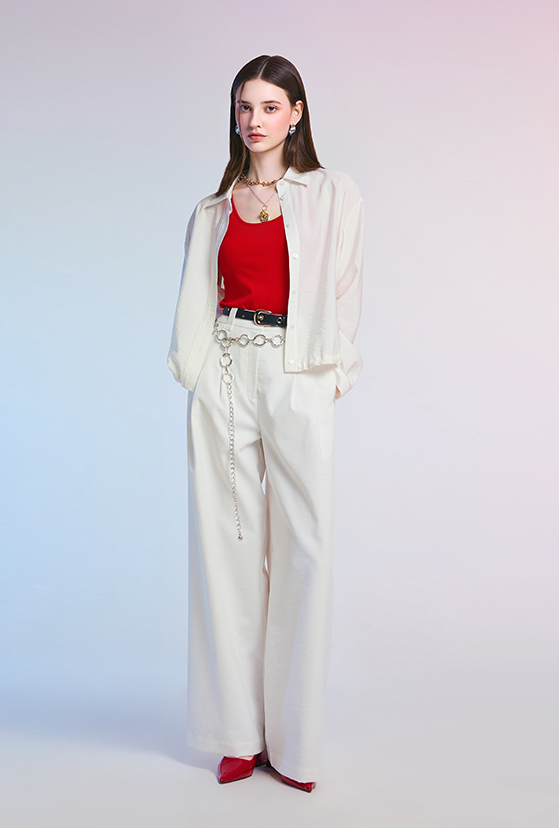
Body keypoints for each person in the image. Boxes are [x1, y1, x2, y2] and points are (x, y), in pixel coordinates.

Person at [166, 54, 364, 793]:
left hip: (296, 371)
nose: (254, 120)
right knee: (226, 551)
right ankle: (237, 733)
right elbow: (198, 294)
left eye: (270, 107)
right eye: (244, 107)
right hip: (223, 372)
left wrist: (329, 377)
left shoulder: (333, 194)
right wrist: (194, 372)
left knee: (305, 550)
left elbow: (345, 287)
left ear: (297, 114)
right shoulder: (211, 209)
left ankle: (295, 742)